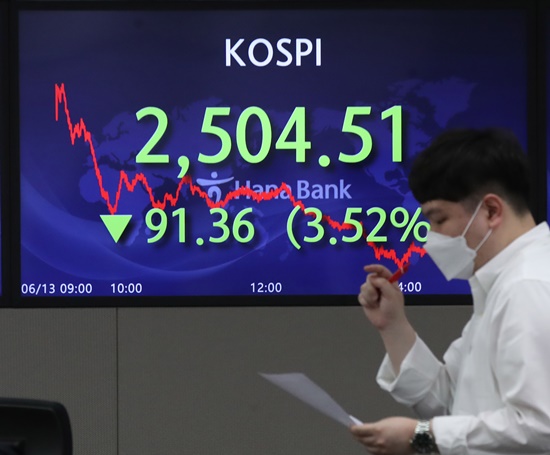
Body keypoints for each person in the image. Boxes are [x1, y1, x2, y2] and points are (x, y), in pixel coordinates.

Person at [351, 128, 550, 454]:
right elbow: (450, 402)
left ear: (491, 211)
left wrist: (422, 436)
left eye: (439, 219)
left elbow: (540, 426)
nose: (430, 237)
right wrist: (393, 326)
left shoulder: (528, 287)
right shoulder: (500, 287)